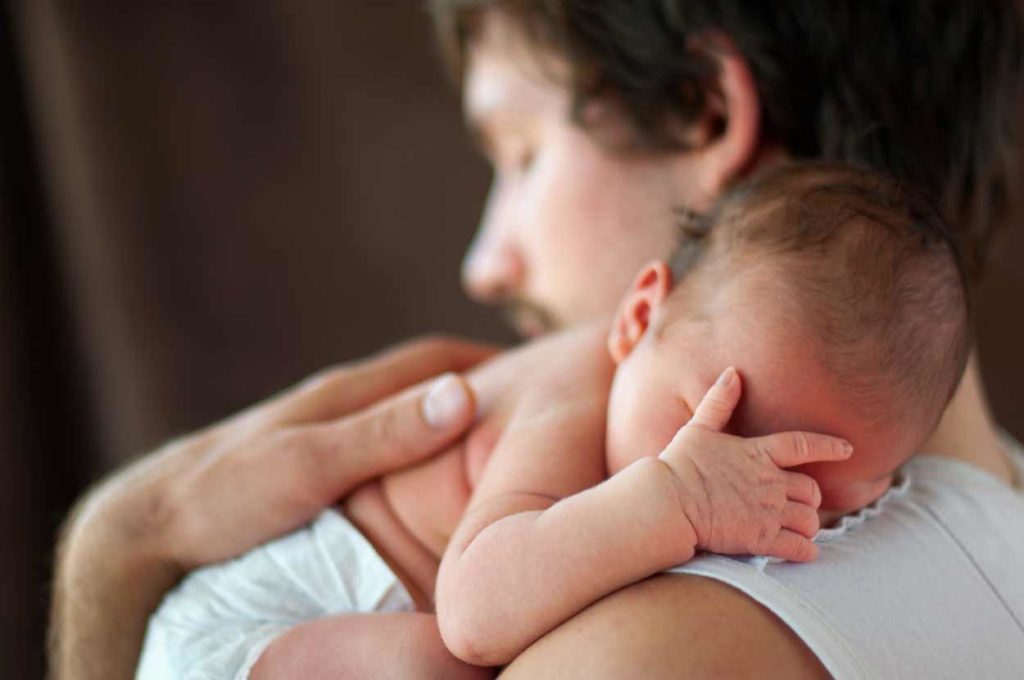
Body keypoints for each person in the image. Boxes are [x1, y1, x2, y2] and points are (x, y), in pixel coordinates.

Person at [50, 1, 1024, 678]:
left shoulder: (642, 651)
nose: (487, 262)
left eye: (522, 152)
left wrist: (120, 547)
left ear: (705, 108)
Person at [135, 163, 968, 679]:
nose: (739, 491)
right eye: (707, 425)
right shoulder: (574, 395)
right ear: (639, 318)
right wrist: (672, 496)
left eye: (808, 496)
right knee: (443, 666)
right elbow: (473, 612)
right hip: (248, 633)